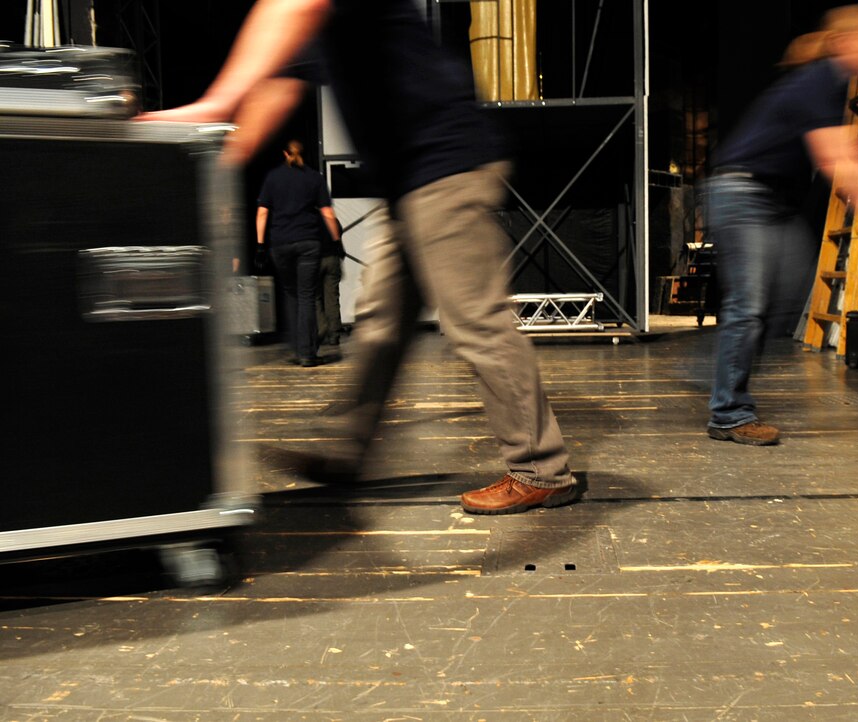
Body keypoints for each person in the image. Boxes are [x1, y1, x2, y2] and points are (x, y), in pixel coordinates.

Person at [140, 0, 577, 515]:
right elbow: (280, 84)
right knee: (380, 324)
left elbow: (293, 9)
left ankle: (542, 470)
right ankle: (343, 452)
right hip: (411, 182)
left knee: (475, 322)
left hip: (445, 163)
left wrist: (217, 102)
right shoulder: (311, 26)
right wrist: (221, 160)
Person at [702, 5, 858, 447]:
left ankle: (717, 373)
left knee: (786, 296)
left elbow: (844, 156)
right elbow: (839, 163)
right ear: (846, 42)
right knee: (749, 304)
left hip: (773, 202)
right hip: (742, 194)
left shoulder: (830, 87)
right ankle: (729, 414)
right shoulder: (817, 81)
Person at [256, 139, 341, 367]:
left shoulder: (273, 177)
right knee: (306, 297)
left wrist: (261, 245)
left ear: (285, 153)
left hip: (280, 244)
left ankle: (295, 347)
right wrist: (336, 241)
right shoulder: (315, 178)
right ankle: (308, 353)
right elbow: (328, 214)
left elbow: (262, 213)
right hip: (307, 243)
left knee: (290, 294)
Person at [316, 218, 344, 347]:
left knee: (315, 297)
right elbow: (339, 235)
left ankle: (322, 328)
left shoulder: (309, 218)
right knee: (332, 297)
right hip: (333, 258)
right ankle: (334, 334)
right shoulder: (333, 219)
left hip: (315, 259)